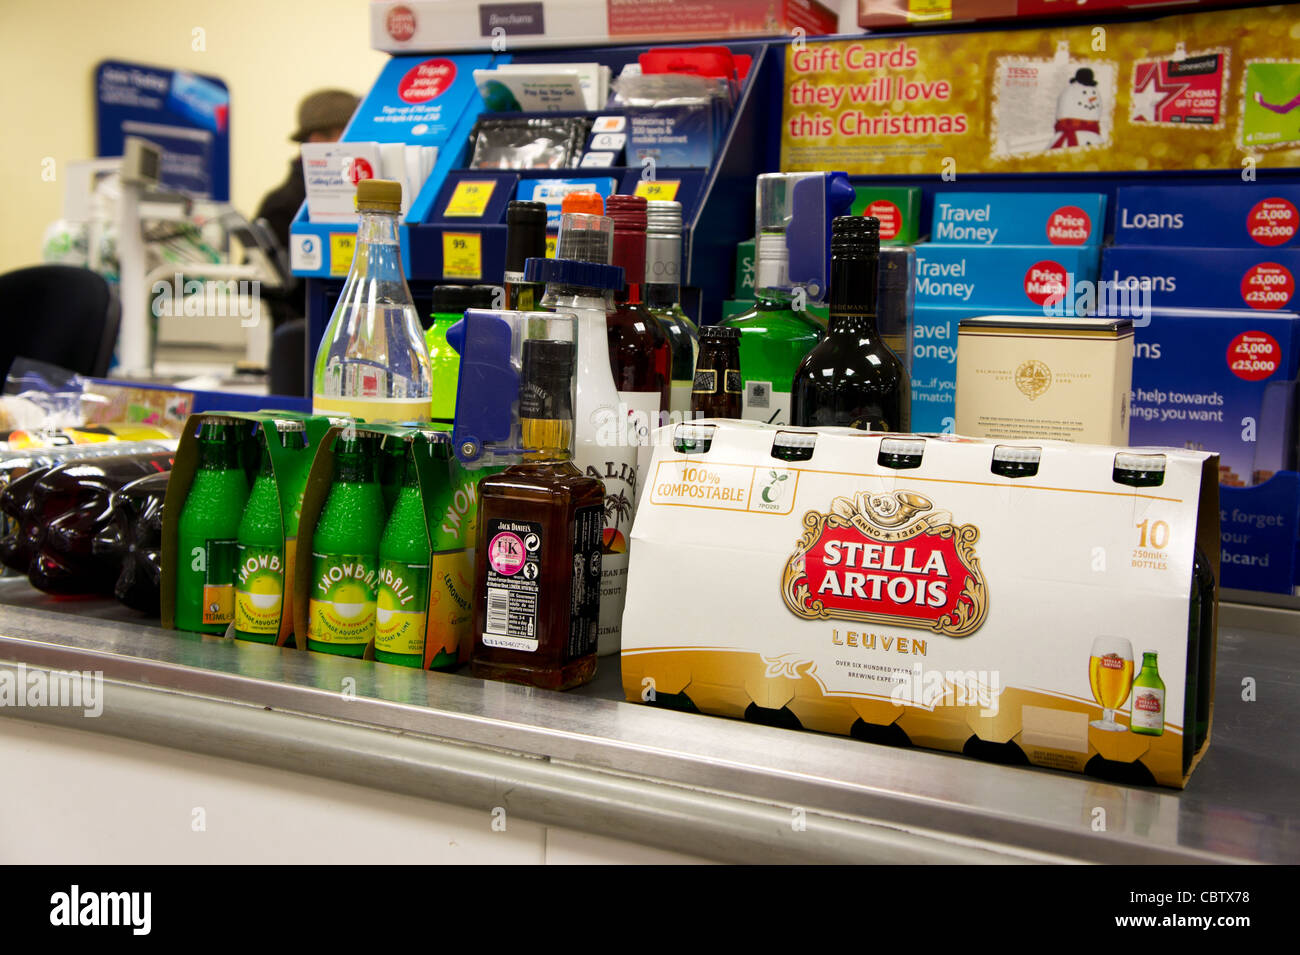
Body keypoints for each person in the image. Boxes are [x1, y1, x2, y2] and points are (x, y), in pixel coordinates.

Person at [256, 89, 360, 323]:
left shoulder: (358, 194)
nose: (340, 143)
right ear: (311, 141)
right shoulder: (283, 205)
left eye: (350, 134)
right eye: (326, 135)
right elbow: (262, 291)